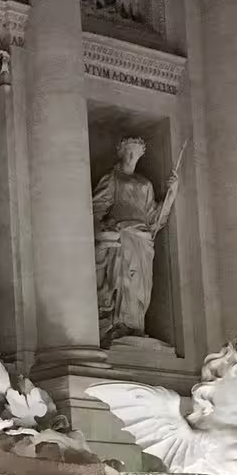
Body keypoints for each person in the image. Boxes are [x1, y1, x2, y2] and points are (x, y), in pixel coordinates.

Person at [92, 136, 178, 344]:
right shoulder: (112, 179)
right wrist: (104, 228)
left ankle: (135, 325)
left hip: (143, 240)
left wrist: (171, 194)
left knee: (140, 286)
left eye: (136, 154)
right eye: (129, 152)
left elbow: (155, 219)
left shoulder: (145, 184)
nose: (132, 157)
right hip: (122, 236)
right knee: (123, 281)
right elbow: (97, 209)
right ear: (121, 152)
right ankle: (118, 325)